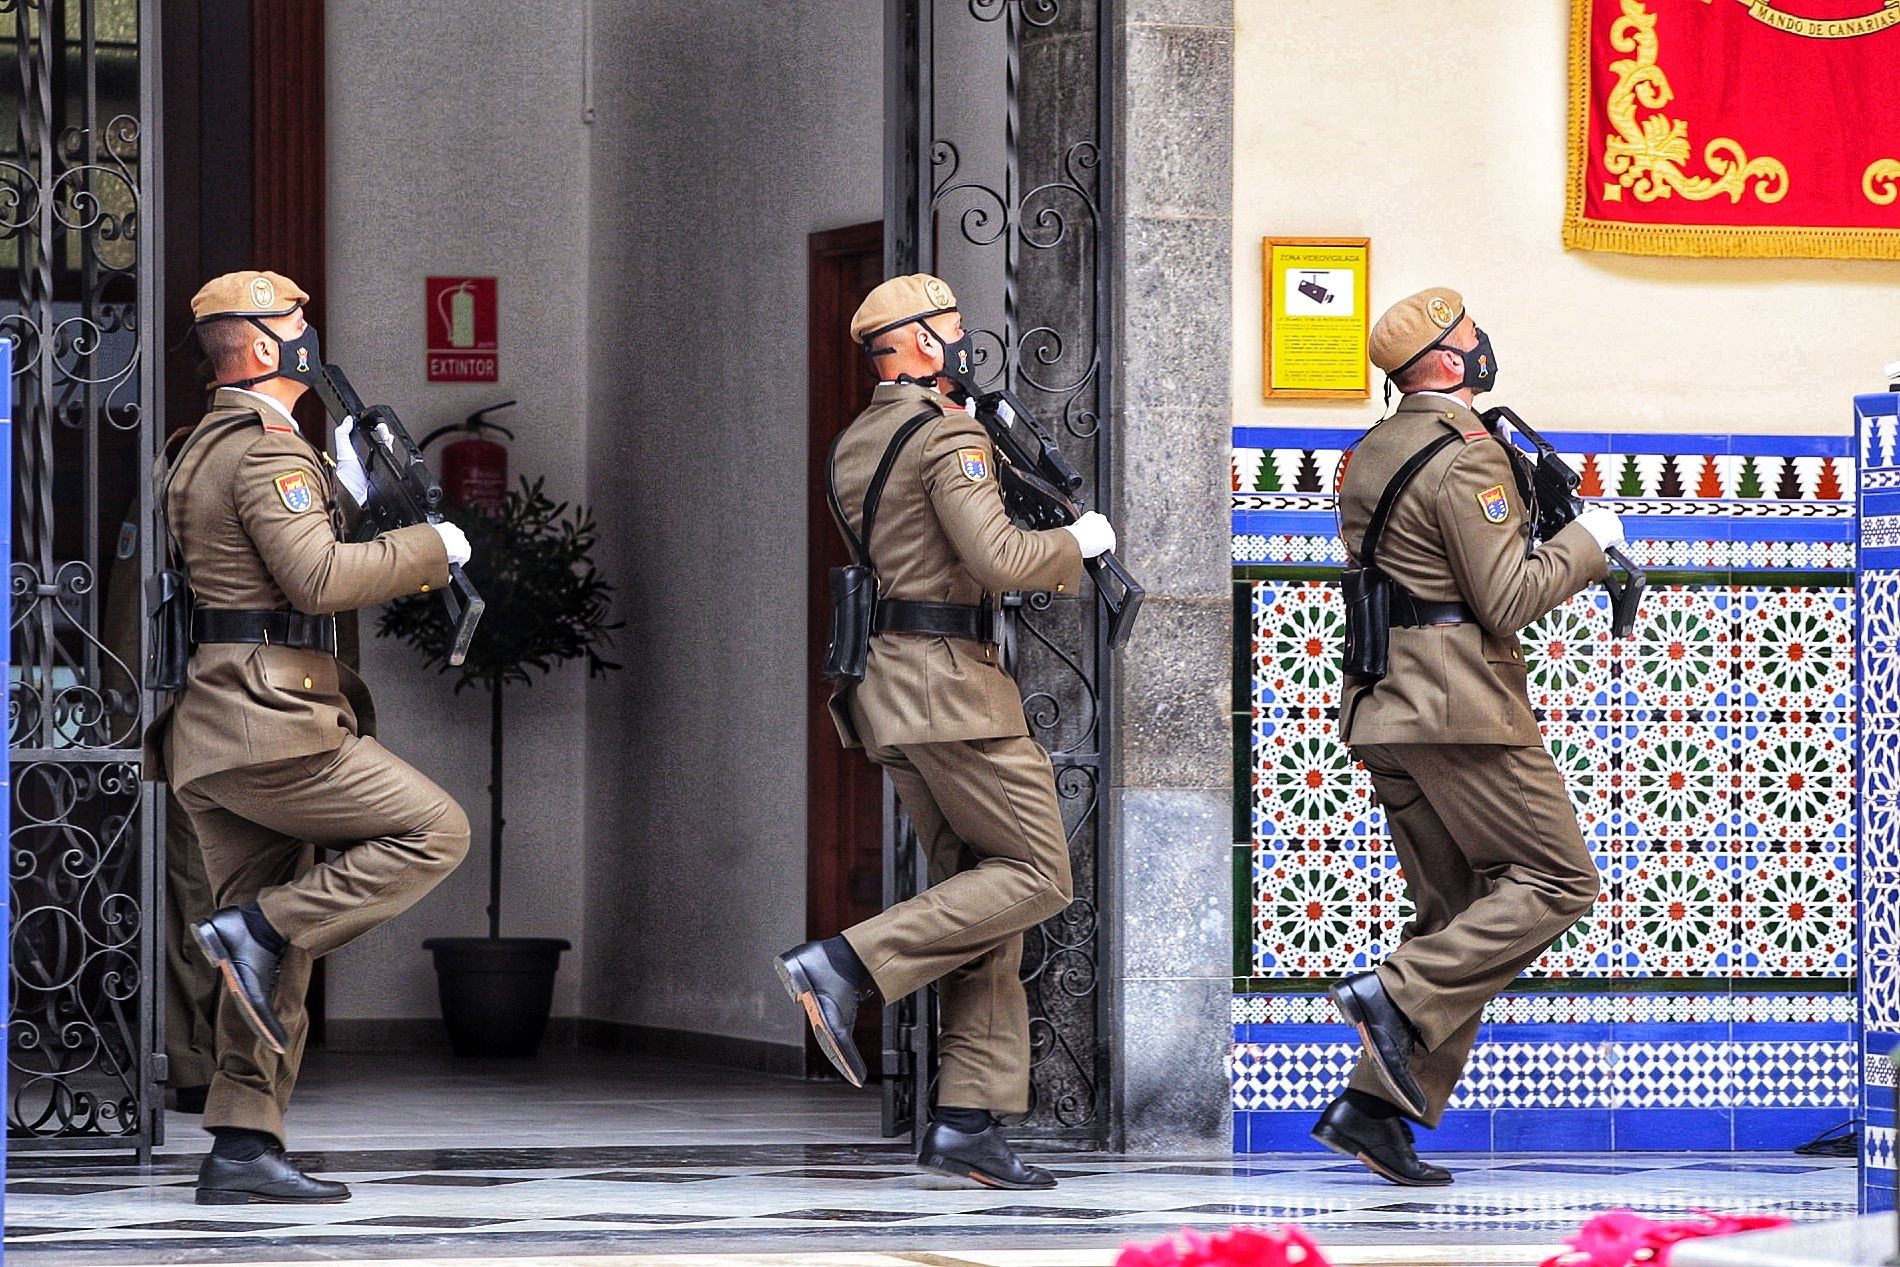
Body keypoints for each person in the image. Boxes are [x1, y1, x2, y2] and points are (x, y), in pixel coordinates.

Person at [775, 274, 1116, 1190]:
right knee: (1039, 874)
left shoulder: (858, 439)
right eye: (955, 328)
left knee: (980, 899)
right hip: (954, 693)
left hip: (891, 690)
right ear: (922, 345)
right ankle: (845, 964)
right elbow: (998, 559)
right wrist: (1077, 545)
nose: (966, 339)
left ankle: (967, 1117)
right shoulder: (947, 434)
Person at [145, 270, 473, 1204]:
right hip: (272, 726)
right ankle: (251, 929)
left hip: (220, 727)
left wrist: (342, 482)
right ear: (256, 347)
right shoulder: (263, 455)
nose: (307, 331)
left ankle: (244, 1142)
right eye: (290, 320)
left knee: (277, 959)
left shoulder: (210, 445)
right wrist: (432, 549)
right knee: (434, 830)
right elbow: (317, 579)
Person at [1319, 287, 1625, 1186]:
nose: (1483, 343)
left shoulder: (1375, 448)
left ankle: (1374, 1107)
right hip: (1461, 709)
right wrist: (1590, 543)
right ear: (1450, 363)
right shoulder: (1465, 456)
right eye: (1471, 336)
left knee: (1457, 915)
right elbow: (1508, 598)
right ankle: (1395, 992)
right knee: (1559, 878)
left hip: (1386, 705)